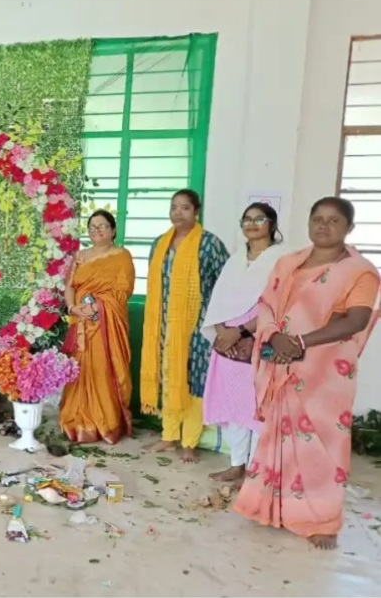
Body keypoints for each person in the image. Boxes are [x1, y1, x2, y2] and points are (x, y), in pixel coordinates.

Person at [234, 197, 380, 550]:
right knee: (281, 436)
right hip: (283, 358)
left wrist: (300, 342)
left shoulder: (359, 271)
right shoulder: (288, 263)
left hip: (325, 370)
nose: (324, 225)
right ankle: (273, 507)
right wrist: (275, 336)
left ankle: (321, 520)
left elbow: (356, 319)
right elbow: (267, 305)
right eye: (318, 219)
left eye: (334, 220)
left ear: (349, 228)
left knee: (322, 443)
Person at [140, 188, 230, 463]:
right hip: (164, 325)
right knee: (169, 378)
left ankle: (189, 441)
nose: (178, 212)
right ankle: (168, 436)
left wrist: (219, 322)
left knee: (194, 382)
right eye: (174, 207)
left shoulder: (210, 244)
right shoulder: (160, 244)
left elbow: (225, 284)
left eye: (185, 207)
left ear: (196, 212)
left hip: (198, 327)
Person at [199, 203, 286, 483]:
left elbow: (279, 305)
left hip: (259, 339)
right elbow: (219, 299)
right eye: (247, 219)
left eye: (259, 219)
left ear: (272, 224)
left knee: (258, 408)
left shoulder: (282, 259)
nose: (252, 224)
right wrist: (222, 329)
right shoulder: (235, 260)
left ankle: (255, 471)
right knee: (233, 404)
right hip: (228, 342)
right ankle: (236, 464)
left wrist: (241, 332)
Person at [60, 210, 135, 444]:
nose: (97, 230)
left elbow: (123, 291)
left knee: (102, 369)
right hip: (80, 322)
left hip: (105, 324)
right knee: (80, 370)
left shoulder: (122, 256)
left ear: (113, 230)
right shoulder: (80, 256)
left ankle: (106, 422)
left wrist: (96, 307)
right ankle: (78, 421)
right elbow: (70, 286)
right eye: (92, 227)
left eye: (102, 226)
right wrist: (72, 308)